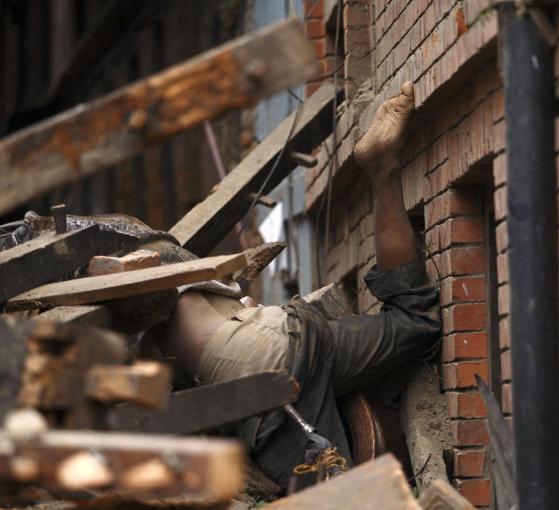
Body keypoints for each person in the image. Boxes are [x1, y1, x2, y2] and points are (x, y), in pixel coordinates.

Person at [155, 81, 440, 488]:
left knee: (331, 497)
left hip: (260, 369)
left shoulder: (121, 300)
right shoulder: (176, 266)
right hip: (284, 326)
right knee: (415, 322)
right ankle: (382, 169)